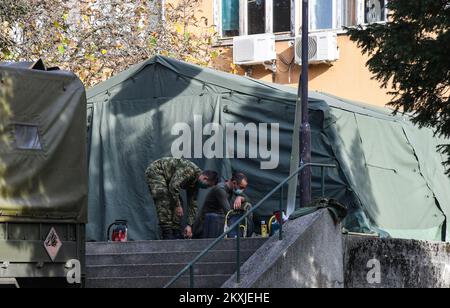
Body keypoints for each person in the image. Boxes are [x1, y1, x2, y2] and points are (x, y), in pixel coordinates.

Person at [145, 157, 218, 240]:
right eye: (208, 185)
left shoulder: (195, 183)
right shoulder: (190, 171)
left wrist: (189, 225)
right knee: (164, 199)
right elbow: (173, 186)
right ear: (205, 178)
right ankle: (167, 233)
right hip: (156, 171)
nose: (206, 188)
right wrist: (177, 205)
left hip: (169, 179)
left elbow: (192, 204)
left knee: (179, 203)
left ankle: (175, 231)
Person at [194, 173, 251, 239]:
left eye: (244, 188)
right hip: (206, 226)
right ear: (234, 183)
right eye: (241, 188)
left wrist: (240, 198)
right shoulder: (220, 189)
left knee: (248, 205)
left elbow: (248, 199)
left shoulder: (233, 188)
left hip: (218, 223)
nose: (242, 190)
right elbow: (229, 212)